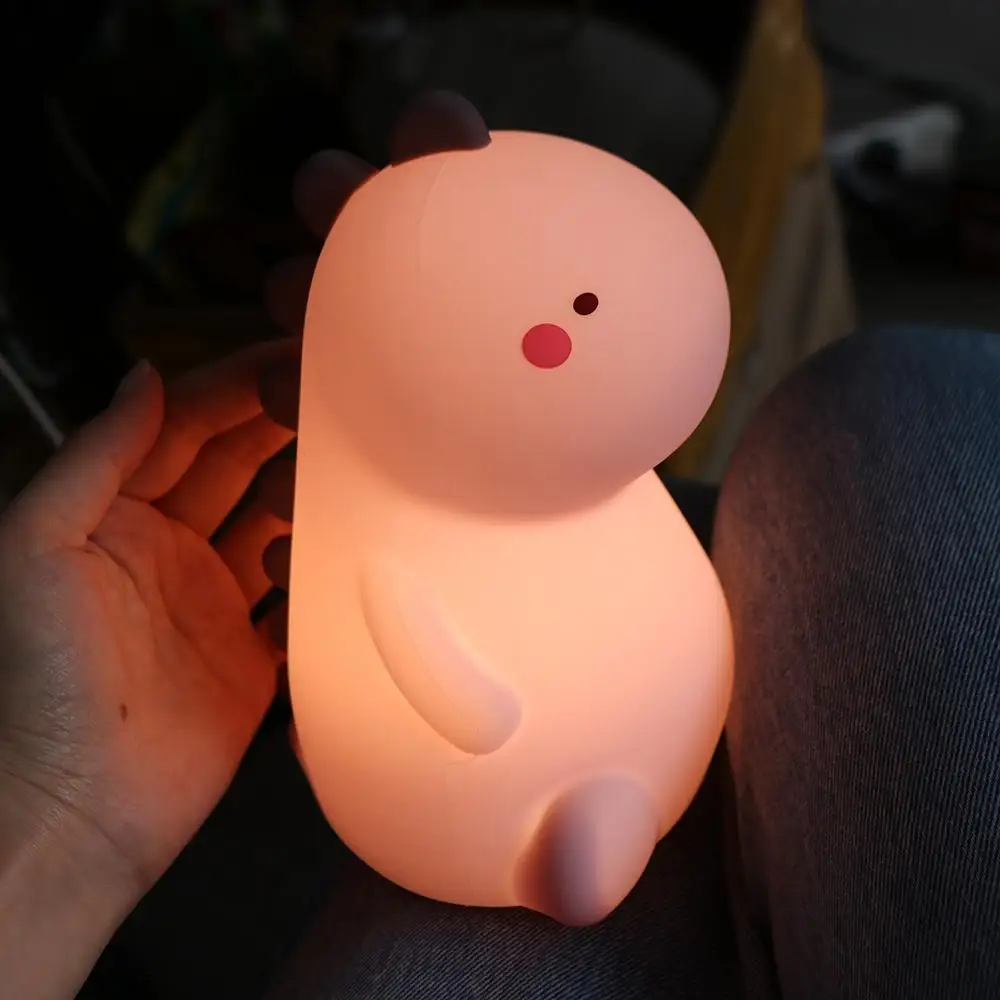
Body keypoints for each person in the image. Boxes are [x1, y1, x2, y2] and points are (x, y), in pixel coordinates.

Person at [2, 148, 1000, 1000]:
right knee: (872, 399)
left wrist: (46, 818)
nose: (549, 335)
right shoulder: (387, 520)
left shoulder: (595, 474)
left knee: (867, 403)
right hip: (505, 797)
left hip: (660, 733)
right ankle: (586, 836)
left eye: (582, 305)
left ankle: (614, 827)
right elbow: (411, 637)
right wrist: (51, 809)